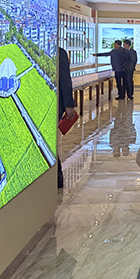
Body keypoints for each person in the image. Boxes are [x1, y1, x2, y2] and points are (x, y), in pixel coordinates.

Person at [57, 47, 78, 188]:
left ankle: (57, 179)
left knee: (52, 145)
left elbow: (65, 79)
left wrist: (69, 105)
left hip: (56, 106)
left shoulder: (59, 53)